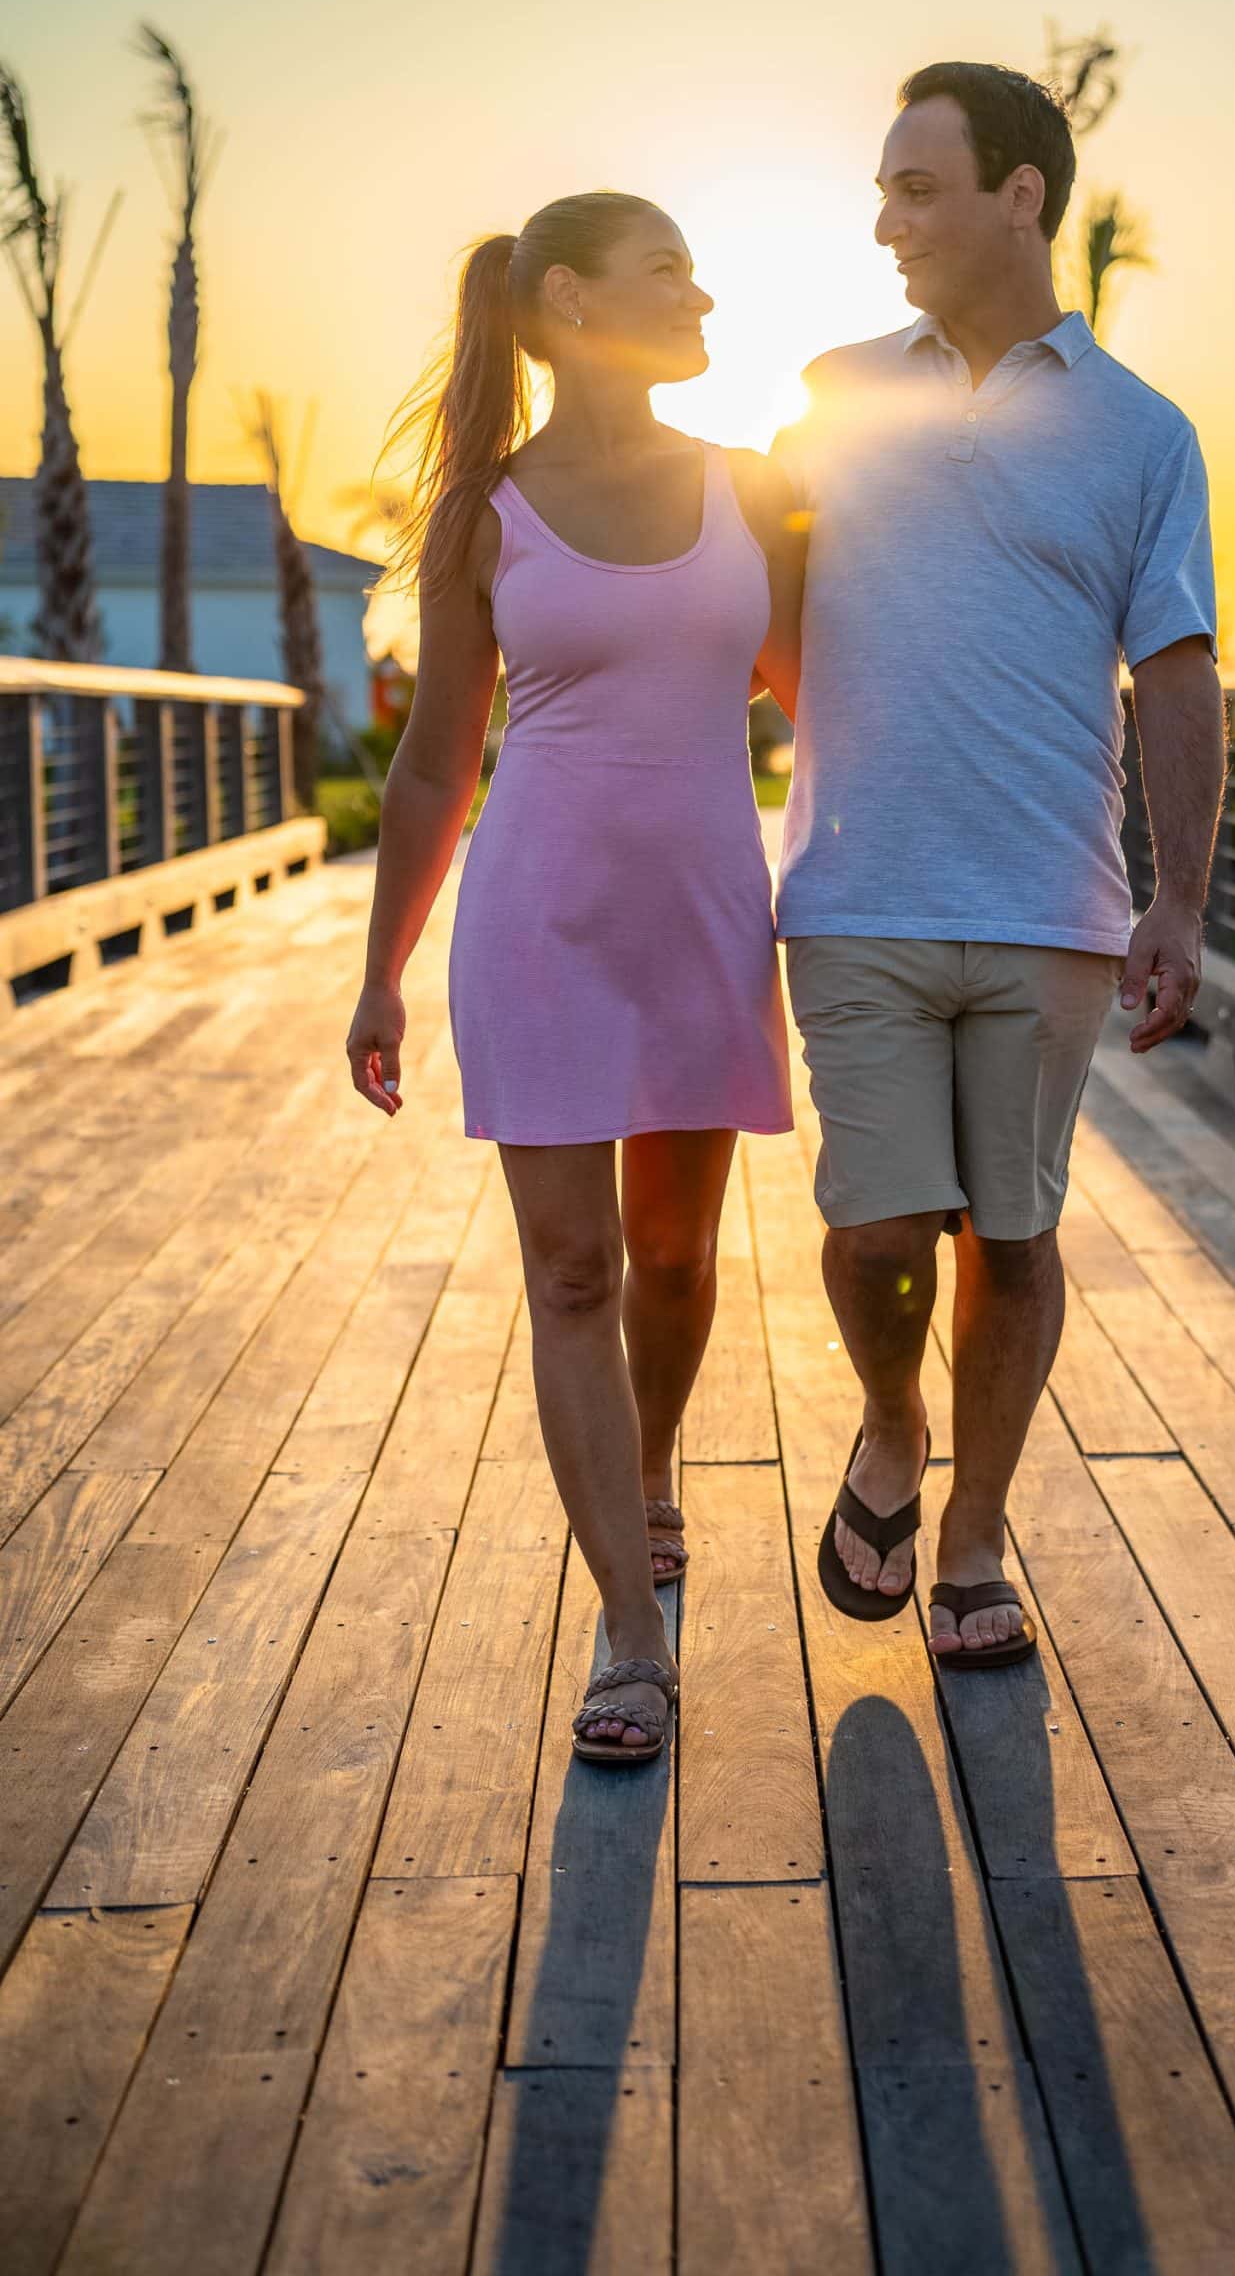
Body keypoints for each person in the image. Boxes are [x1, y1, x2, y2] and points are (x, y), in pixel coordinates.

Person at [769, 64, 1225, 1668]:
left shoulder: (1141, 432)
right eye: (884, 189)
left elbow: (1176, 670)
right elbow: (755, 607)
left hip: (1051, 909)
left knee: (1012, 1240)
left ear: (1019, 195)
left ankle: (972, 1539)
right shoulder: (831, 394)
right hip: (857, 893)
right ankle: (893, 1428)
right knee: (880, 1231)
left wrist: (1178, 897)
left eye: (916, 188)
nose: (885, 220)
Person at [344, 193, 800, 1764]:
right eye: (668, 267)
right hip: (538, 918)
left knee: (673, 1260)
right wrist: (383, 971)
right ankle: (628, 1631)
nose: (701, 290)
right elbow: (430, 766)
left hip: (704, 920)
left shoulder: (757, 492)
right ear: (570, 302)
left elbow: (835, 705)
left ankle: (652, 1475)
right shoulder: (485, 516)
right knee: (575, 1274)